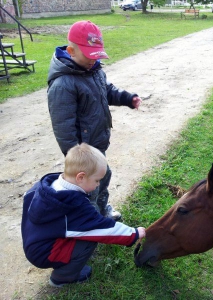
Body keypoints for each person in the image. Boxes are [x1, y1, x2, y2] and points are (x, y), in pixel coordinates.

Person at [47, 20, 142, 221]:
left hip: (98, 144)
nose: (94, 60)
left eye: (97, 55)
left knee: (102, 177)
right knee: (86, 189)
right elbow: (63, 126)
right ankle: (88, 221)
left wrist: (126, 98)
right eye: (89, 56)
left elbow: (107, 91)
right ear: (71, 51)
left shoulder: (94, 70)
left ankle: (101, 208)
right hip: (82, 152)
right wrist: (75, 157)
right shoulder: (63, 84)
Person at [21, 143, 146, 288]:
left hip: (34, 243)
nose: (98, 185)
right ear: (80, 177)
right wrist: (134, 233)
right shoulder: (73, 205)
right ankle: (62, 277)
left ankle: (64, 260)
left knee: (82, 230)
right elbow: (103, 230)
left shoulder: (46, 188)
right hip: (45, 253)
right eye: (97, 180)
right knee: (89, 238)